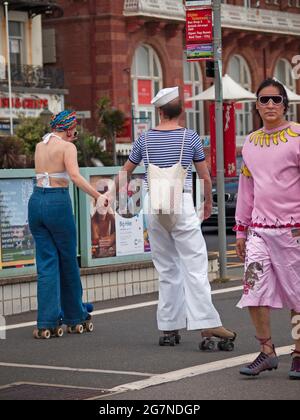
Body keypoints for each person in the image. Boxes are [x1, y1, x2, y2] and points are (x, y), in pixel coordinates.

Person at [112, 87, 236, 349]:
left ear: (159, 111)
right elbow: (204, 176)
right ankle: (206, 325)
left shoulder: (143, 140)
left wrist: (114, 198)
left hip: (153, 206)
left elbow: (125, 172)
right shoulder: (189, 138)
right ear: (181, 111)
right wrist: (207, 203)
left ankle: (169, 327)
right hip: (179, 203)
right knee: (194, 265)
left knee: (167, 267)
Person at [235, 78, 300, 379]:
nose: (270, 105)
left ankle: (299, 355)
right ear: (257, 105)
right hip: (259, 230)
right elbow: (246, 191)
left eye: (276, 99)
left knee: (297, 294)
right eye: (264, 100)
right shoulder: (250, 142)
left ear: (285, 104)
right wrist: (240, 230)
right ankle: (267, 351)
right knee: (253, 289)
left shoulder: (298, 136)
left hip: (293, 230)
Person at [28, 110, 105, 338]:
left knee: (46, 263)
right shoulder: (67, 147)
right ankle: (75, 316)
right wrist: (97, 195)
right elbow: (75, 176)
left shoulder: (40, 146)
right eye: (74, 129)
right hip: (57, 202)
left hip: (36, 201)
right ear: (69, 128)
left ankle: (46, 322)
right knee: (68, 260)